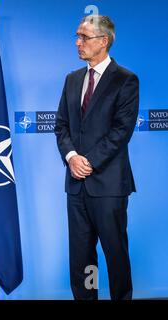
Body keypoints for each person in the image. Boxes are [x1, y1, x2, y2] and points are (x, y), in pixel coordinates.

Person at [55, 15, 139, 300]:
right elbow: (61, 125)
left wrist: (87, 162)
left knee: (115, 255)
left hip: (109, 185)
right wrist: (71, 157)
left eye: (84, 37)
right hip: (76, 185)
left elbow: (121, 131)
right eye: (77, 36)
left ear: (104, 41)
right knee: (82, 260)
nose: (78, 43)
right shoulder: (72, 79)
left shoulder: (125, 80)